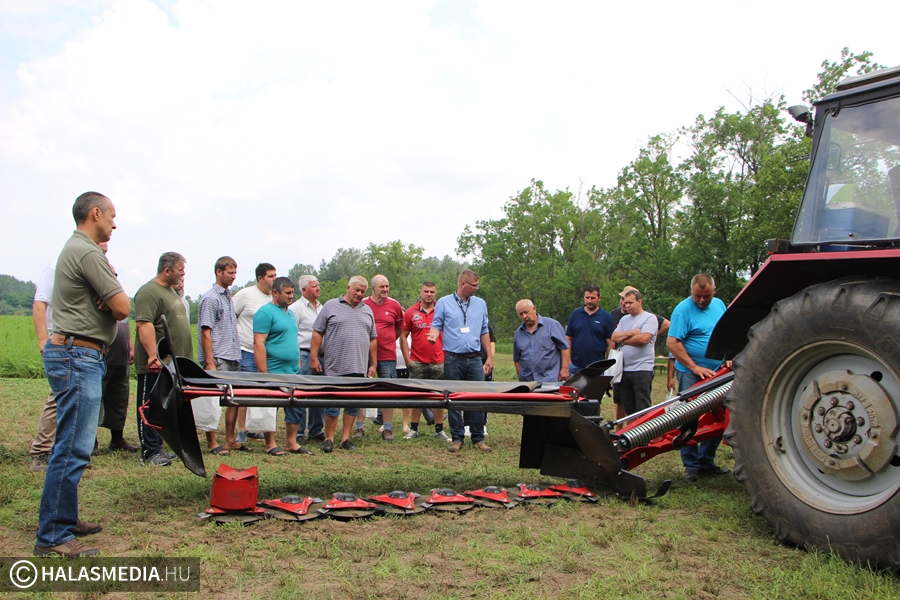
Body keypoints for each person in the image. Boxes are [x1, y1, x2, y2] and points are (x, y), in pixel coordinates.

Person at [34, 191, 130, 558]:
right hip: (78, 354)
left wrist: (108, 300)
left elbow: (115, 304)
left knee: (74, 442)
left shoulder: (76, 250)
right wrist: (111, 299)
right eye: (111, 216)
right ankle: (53, 536)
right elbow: (122, 307)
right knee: (73, 445)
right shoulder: (88, 251)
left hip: (77, 352)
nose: (114, 223)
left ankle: (64, 516)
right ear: (95, 213)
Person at [667, 273, 729, 482]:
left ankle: (706, 461)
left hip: (718, 371)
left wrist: (729, 356)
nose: (702, 300)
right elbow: (673, 342)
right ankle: (691, 465)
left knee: (719, 415)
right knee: (690, 417)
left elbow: (728, 332)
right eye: (697, 296)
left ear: (714, 291)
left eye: (706, 296)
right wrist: (694, 367)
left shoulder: (720, 305)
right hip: (691, 373)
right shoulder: (683, 310)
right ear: (691, 292)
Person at [134, 252, 193, 467]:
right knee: (149, 405)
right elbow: (144, 324)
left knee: (164, 407)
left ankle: (157, 446)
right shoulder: (149, 292)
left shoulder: (170, 292)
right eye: (180, 269)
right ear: (167, 270)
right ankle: (149, 451)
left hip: (172, 364)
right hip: (156, 364)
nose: (183, 273)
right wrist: (152, 356)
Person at [428, 269, 493, 453]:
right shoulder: (444, 302)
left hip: (474, 359)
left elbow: (484, 331)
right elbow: (436, 325)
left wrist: (489, 357)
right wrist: (432, 336)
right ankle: (457, 439)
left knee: (478, 399)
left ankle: (478, 438)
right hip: (453, 359)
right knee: (454, 399)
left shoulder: (480, 304)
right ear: (463, 284)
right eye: (474, 285)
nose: (477, 289)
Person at [310, 276, 377, 452]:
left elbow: (373, 339)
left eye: (363, 291)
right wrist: (314, 357)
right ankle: (329, 438)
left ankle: (345, 438)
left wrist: (373, 363)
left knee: (352, 404)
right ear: (348, 287)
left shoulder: (368, 310)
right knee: (332, 404)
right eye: (356, 290)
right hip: (334, 366)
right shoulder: (330, 306)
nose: (359, 294)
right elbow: (317, 333)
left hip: (358, 367)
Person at [253, 277, 312, 456]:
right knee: (271, 408)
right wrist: (264, 374)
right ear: (275, 292)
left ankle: (290, 442)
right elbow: (259, 343)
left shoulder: (290, 313)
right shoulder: (265, 313)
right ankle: (270, 443)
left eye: (292, 293)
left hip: (293, 370)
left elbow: (293, 339)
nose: (291, 296)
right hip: (274, 370)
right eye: (287, 293)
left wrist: (298, 363)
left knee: (296, 405)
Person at [198, 256, 244, 453]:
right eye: (230, 273)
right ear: (219, 272)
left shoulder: (228, 297)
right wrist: (210, 361)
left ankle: (229, 439)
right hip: (218, 357)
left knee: (233, 399)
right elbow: (205, 331)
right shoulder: (211, 298)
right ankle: (211, 441)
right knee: (213, 399)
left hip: (233, 355)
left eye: (235, 273)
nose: (233, 277)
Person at [97, 244, 137, 454]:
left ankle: (117, 439)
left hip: (121, 358)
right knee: (95, 400)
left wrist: (130, 347)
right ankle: (90, 442)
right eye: (109, 274)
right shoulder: (99, 297)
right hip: (102, 357)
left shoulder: (118, 296)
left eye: (114, 274)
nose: (113, 277)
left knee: (120, 399)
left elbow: (125, 323)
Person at [609, 285, 670, 421]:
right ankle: (633, 437)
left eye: (630, 303)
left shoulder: (649, 318)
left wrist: (623, 339)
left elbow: (644, 339)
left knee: (643, 407)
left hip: (642, 369)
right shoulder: (624, 319)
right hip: (624, 369)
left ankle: (645, 438)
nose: (627, 306)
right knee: (629, 407)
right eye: (625, 303)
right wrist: (631, 333)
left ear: (639, 302)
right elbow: (614, 337)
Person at [233, 263, 277, 443]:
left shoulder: (274, 298)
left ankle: (255, 426)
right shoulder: (245, 294)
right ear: (260, 278)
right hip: (246, 349)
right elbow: (231, 316)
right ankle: (241, 428)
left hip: (268, 352)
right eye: (271, 276)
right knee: (246, 390)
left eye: (276, 275)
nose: (274, 279)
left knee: (262, 390)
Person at [401, 281, 449, 441]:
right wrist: (407, 359)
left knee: (439, 396)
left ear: (436, 294)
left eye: (432, 292)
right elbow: (403, 336)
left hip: (439, 361)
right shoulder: (410, 312)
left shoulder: (442, 311)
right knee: (417, 397)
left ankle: (439, 429)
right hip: (417, 362)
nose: (429, 294)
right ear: (420, 292)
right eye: (426, 291)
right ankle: (414, 429)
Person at [360, 274, 404, 441]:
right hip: (364, 355)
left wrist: (387, 340)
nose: (385, 290)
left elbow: (400, 329)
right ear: (373, 289)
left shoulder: (395, 305)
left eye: (387, 286)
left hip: (387, 355)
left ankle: (387, 428)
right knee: (361, 390)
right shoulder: (363, 304)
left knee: (388, 391)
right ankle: (359, 427)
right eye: (382, 287)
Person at [287, 274, 325, 443]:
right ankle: (299, 433)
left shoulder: (322, 307)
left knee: (319, 394)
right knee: (302, 393)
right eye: (313, 286)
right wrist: (297, 359)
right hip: (304, 353)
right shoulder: (296, 309)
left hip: (322, 355)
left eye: (318, 285)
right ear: (303, 290)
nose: (318, 288)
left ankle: (316, 430)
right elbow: (292, 334)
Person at [28, 265, 57, 472]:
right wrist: (42, 340)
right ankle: (40, 452)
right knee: (58, 395)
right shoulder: (54, 270)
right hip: (58, 341)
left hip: (84, 346)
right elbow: (40, 303)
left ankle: (64, 451)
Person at [512, 299, 570, 383]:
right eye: (521, 314)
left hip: (550, 380)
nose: (524, 316)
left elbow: (565, 348)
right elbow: (517, 358)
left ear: (534, 309)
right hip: (528, 382)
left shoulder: (552, 325)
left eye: (526, 312)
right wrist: (520, 375)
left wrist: (565, 369)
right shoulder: (518, 333)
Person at [565, 284, 615, 374]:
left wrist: (606, 364)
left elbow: (611, 344)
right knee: (573, 388)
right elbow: (568, 338)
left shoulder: (606, 317)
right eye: (587, 297)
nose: (589, 301)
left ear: (599, 298)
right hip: (576, 365)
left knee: (596, 388)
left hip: (597, 367)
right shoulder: (575, 315)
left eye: (593, 298)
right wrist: (568, 361)